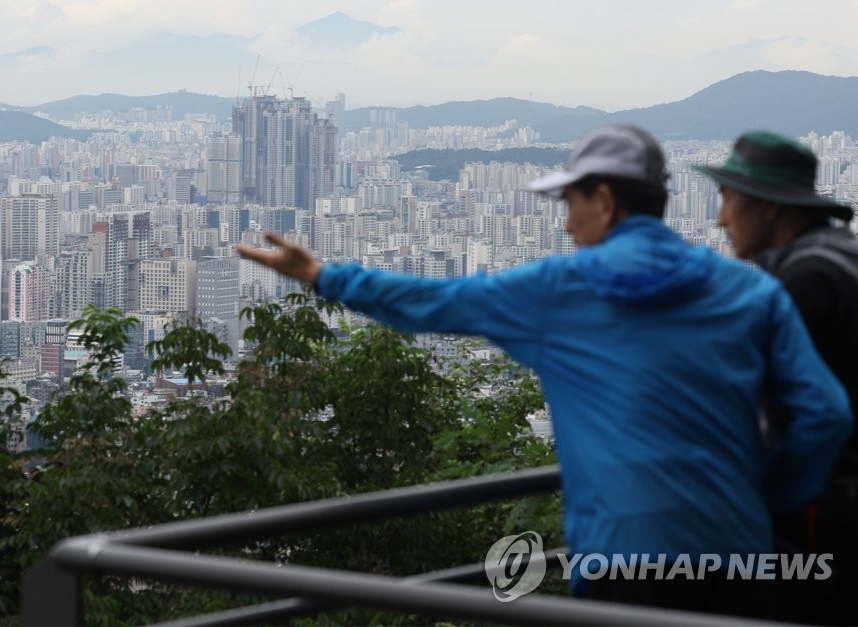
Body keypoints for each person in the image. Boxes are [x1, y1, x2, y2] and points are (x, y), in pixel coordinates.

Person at [236, 124, 852, 619]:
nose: (564, 222)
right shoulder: (749, 290)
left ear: (604, 201)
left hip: (626, 559)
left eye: (570, 202)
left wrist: (322, 275)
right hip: (743, 555)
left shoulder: (559, 291)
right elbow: (825, 415)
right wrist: (769, 495)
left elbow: (433, 302)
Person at [697, 130, 858, 625]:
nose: (721, 218)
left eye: (728, 199)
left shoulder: (805, 281)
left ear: (768, 207)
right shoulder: (842, 257)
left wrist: (780, 492)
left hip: (825, 510)